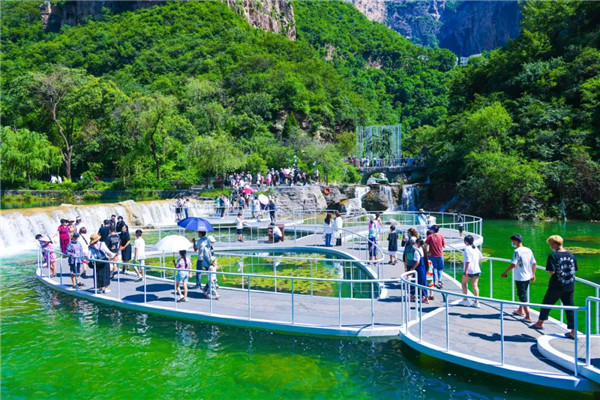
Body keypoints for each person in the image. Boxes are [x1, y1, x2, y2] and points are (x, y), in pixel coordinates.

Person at [531, 235, 577, 339]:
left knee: (546, 303)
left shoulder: (553, 256)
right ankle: (573, 331)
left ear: (554, 244)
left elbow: (551, 271)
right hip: (569, 285)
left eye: (551, 244)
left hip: (556, 285)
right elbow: (574, 269)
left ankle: (539, 323)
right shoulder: (571, 255)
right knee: (570, 307)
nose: (551, 247)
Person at [501, 234, 537, 323]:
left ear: (515, 241)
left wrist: (505, 272)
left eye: (512, 241)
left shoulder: (517, 251)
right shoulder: (528, 250)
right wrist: (533, 274)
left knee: (522, 296)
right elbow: (534, 263)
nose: (512, 243)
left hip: (520, 277)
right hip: (528, 276)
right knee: (522, 293)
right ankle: (520, 310)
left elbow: (513, 264)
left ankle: (528, 316)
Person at [458, 235, 482, 308]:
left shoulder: (467, 249)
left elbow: (468, 261)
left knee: (463, 283)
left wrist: (466, 271)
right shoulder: (475, 248)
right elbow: (481, 257)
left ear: (466, 242)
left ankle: (465, 300)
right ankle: (476, 302)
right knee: (475, 285)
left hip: (470, 270)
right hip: (477, 269)